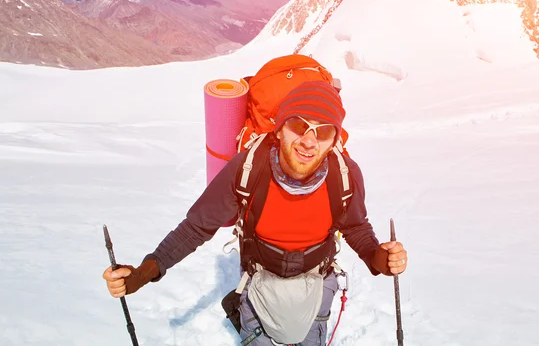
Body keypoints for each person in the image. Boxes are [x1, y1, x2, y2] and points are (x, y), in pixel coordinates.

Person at [103, 81, 408, 345]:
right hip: (259, 278)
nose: (309, 140)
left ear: (334, 140)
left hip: (318, 282)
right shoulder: (249, 169)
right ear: (280, 127)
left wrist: (378, 257)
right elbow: (196, 228)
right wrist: (145, 272)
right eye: (299, 125)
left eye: (323, 131)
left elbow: (355, 227)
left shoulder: (344, 175)